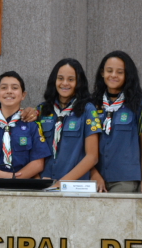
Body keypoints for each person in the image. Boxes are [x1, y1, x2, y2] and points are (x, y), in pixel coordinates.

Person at [0, 71, 50, 183]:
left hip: (23, 186)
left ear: (23, 95)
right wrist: (0, 176)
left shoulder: (32, 125)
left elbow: (38, 163)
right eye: (4, 88)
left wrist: (14, 180)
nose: (9, 91)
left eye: (15, 88)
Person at [90, 51, 142, 193]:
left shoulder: (139, 104)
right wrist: (94, 173)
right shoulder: (92, 104)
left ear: (127, 75)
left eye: (120, 72)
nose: (113, 75)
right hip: (95, 179)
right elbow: (85, 146)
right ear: (102, 73)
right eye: (109, 71)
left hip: (125, 179)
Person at [37, 59, 100, 187]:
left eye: (71, 79)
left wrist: (61, 184)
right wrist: (37, 180)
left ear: (78, 82)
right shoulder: (42, 110)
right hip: (44, 184)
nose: (65, 83)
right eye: (60, 78)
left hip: (75, 186)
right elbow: (34, 152)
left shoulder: (88, 110)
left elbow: (92, 156)